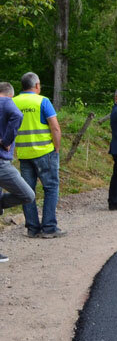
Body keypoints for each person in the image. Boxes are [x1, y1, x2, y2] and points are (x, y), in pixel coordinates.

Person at [13, 72, 64, 239]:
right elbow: (55, 127)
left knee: (27, 190)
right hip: (45, 152)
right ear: (36, 85)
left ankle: (32, 228)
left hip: (23, 153)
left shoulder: (13, 102)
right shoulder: (42, 101)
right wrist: (57, 148)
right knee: (51, 188)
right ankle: (49, 227)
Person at [0, 82, 37, 262]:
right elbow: (17, 115)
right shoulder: (6, 101)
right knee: (28, 195)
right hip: (1, 162)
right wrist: (6, 140)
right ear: (10, 94)